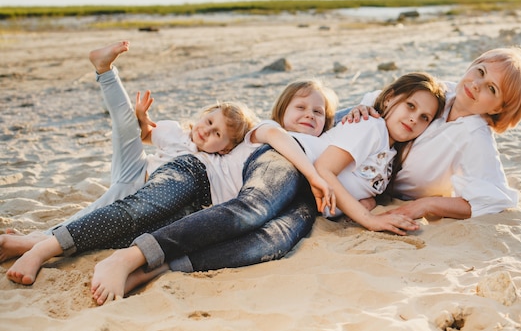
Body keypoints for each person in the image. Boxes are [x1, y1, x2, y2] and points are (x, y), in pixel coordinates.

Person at [87, 71, 447, 304]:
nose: (413, 118)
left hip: (310, 196)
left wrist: (369, 204)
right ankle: (130, 257)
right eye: (410, 106)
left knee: (273, 241)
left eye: (424, 117)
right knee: (251, 210)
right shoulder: (372, 127)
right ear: (388, 100)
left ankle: (160, 268)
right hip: (292, 162)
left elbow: (359, 184)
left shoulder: (387, 150)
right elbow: (326, 168)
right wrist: (370, 221)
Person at [5, 79, 338, 287]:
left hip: (208, 205)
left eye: (318, 113)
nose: (310, 114)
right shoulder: (264, 134)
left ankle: (31, 243)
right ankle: (46, 248)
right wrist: (313, 175)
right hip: (194, 173)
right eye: (301, 107)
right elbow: (277, 137)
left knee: (274, 240)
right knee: (138, 211)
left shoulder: (325, 141)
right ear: (282, 111)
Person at [0, 40, 257, 262]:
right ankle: (105, 70)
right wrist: (142, 117)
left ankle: (34, 241)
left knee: (95, 213)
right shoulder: (174, 131)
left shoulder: (210, 162)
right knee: (125, 123)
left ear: (226, 149)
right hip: (136, 168)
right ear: (205, 114)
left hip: (138, 192)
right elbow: (144, 135)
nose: (207, 131)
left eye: (217, 135)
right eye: (210, 122)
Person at [345, 45, 521, 219]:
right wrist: (362, 108)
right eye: (480, 71)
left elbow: (494, 199)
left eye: (491, 89)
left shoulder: (475, 138)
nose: (476, 84)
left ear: (498, 109)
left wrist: (427, 205)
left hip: (369, 182)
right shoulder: (443, 91)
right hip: (354, 140)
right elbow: (385, 97)